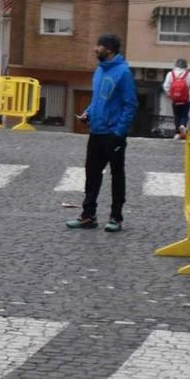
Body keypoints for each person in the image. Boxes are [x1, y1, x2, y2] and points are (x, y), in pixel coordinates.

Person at [68, 33, 136, 233]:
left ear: (110, 49)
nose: (95, 49)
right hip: (96, 132)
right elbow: (99, 100)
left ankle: (116, 217)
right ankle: (88, 215)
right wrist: (88, 113)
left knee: (117, 175)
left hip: (113, 134)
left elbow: (130, 104)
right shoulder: (99, 70)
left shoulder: (123, 73)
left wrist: (119, 132)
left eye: (99, 46)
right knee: (91, 174)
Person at [163, 58, 190, 136]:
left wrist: (170, 95)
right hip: (186, 99)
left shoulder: (170, 74)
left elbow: (166, 86)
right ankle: (183, 125)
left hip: (175, 99)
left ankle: (177, 132)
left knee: (176, 115)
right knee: (184, 114)